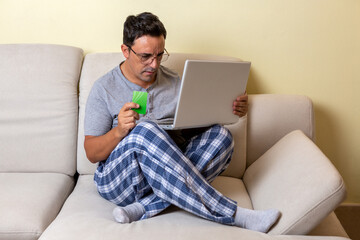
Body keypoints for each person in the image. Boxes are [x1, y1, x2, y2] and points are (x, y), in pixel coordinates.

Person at [84, 12, 280, 233]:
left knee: (222, 137)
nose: (154, 64)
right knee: (144, 130)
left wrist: (232, 109)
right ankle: (233, 214)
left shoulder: (175, 82)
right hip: (122, 180)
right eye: (146, 56)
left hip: (164, 174)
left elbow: (196, 125)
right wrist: (119, 131)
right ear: (125, 50)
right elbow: (91, 153)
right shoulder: (104, 88)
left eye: (160, 55)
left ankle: (145, 207)